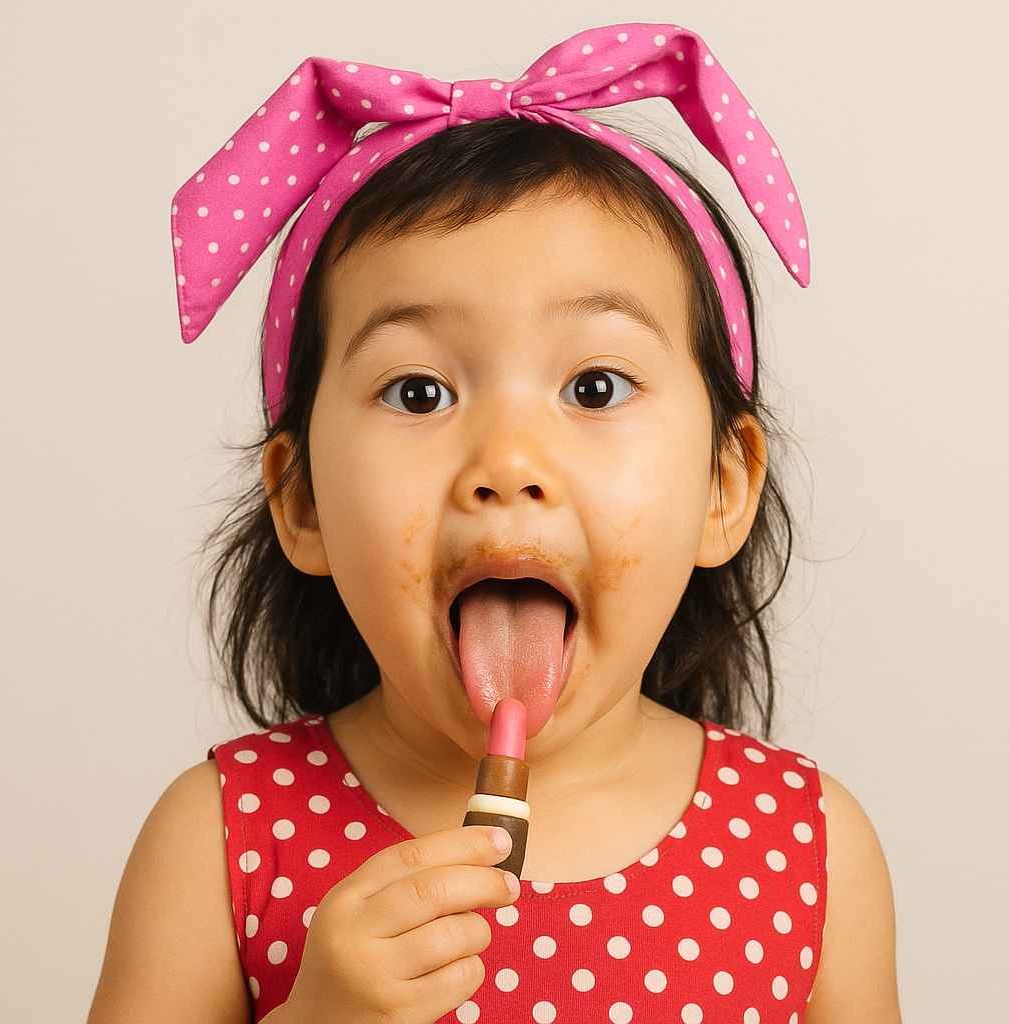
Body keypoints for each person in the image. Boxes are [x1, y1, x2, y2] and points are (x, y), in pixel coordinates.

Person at [88, 24, 900, 1024]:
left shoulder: (805, 846)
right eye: (419, 391)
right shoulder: (221, 839)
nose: (507, 462)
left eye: (594, 385)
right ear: (299, 503)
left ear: (723, 486)